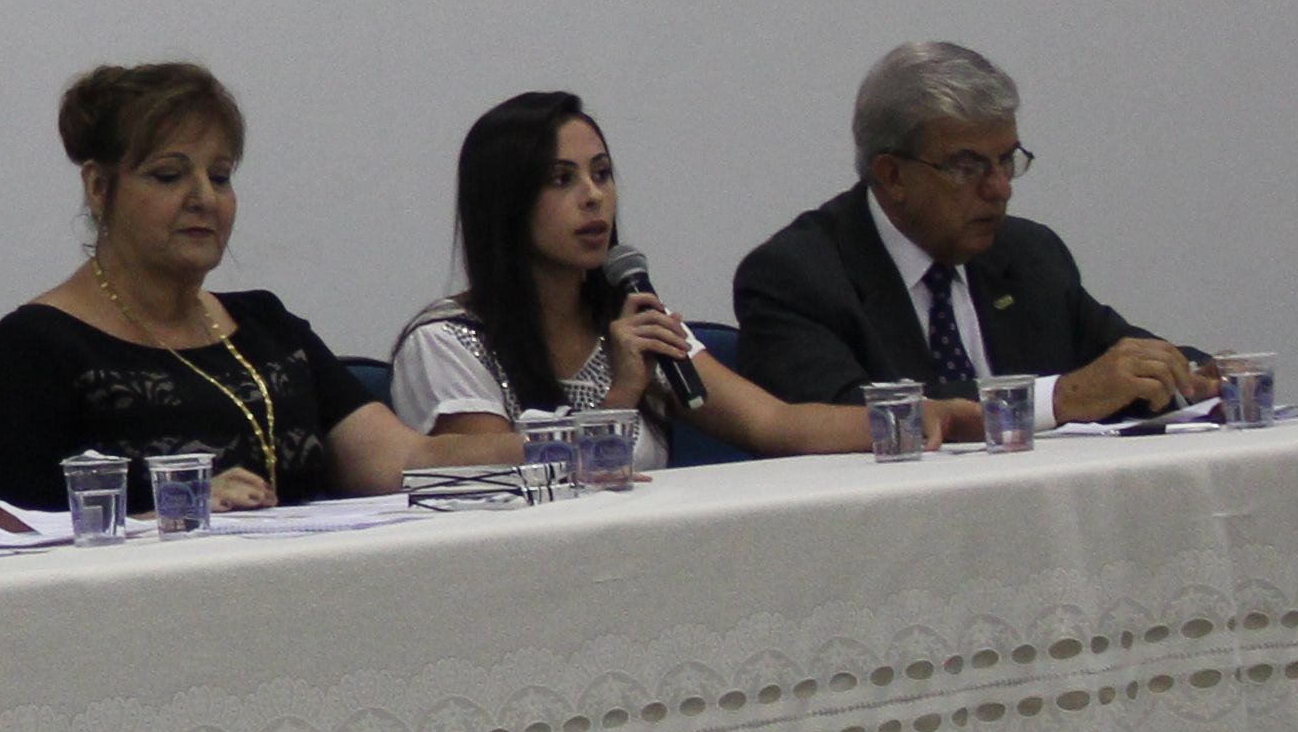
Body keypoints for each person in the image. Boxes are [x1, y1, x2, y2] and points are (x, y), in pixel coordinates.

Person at [0, 61, 437, 509]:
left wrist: (491, 446)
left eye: (219, 177)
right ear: (99, 188)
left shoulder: (267, 328)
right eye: (169, 176)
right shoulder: (26, 354)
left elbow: (401, 461)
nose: (204, 199)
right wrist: (171, 512)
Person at [730, 41, 1207, 432]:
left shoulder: (1029, 254)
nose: (1000, 188)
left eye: (1006, 160)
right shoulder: (796, 276)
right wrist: (1057, 399)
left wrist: (1196, 377)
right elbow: (844, 417)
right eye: (968, 166)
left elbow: (1117, 361)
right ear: (892, 175)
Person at [389, 92, 873, 461]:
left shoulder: (632, 322)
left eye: (601, 173)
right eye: (562, 179)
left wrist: (910, 419)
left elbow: (775, 424)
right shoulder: (447, 341)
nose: (594, 196)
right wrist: (619, 397)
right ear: (505, 205)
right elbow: (501, 487)